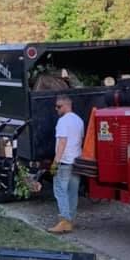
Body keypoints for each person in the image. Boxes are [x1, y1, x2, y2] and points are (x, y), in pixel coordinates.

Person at [48, 94, 84, 234]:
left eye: (59, 106)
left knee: (59, 190)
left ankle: (64, 221)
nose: (56, 109)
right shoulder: (79, 120)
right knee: (72, 192)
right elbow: (79, 140)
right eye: (56, 106)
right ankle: (71, 219)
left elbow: (62, 142)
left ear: (67, 105)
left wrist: (55, 162)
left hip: (64, 161)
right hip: (77, 161)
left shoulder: (63, 121)